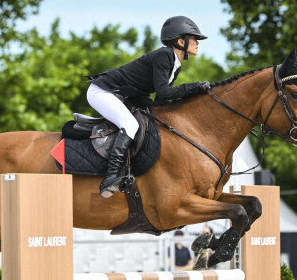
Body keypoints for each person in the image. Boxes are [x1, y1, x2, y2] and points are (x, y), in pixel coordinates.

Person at [87, 16, 211, 198]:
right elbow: (164, 93)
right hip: (102, 92)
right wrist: (195, 87)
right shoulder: (165, 55)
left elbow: (160, 100)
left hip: (121, 95)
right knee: (130, 125)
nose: (197, 43)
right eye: (194, 38)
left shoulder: (175, 65)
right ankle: (110, 176)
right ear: (180, 41)